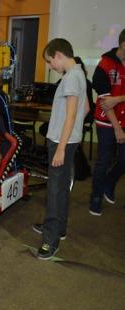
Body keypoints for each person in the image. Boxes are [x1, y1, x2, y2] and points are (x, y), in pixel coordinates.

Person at [33, 38, 87, 260]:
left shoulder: (72, 77)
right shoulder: (78, 73)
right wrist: (74, 134)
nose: (50, 66)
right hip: (68, 139)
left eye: (49, 61)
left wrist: (62, 147)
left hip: (61, 141)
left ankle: (50, 240)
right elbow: (85, 109)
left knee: (55, 190)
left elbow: (73, 113)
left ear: (58, 55)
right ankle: (58, 228)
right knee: (62, 186)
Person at [89, 28, 125, 215]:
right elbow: (105, 102)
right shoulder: (104, 65)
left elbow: (113, 99)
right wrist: (117, 128)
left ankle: (109, 183)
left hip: (123, 118)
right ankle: (95, 196)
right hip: (105, 121)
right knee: (104, 160)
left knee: (123, 159)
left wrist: (119, 99)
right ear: (123, 45)